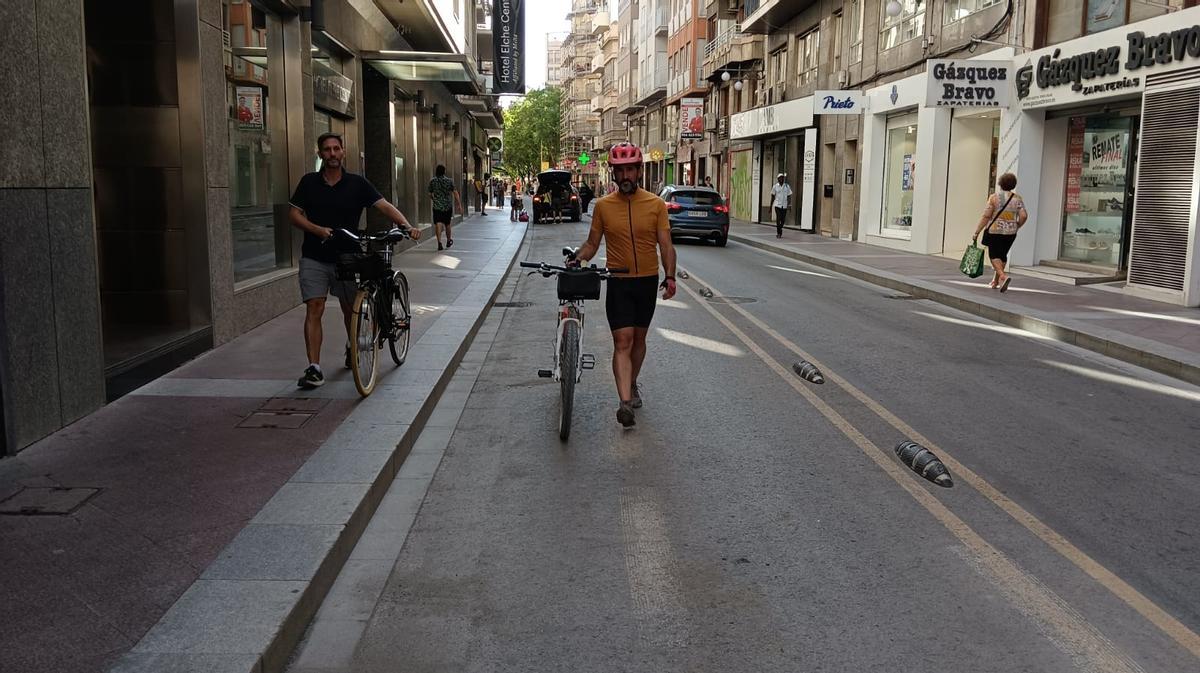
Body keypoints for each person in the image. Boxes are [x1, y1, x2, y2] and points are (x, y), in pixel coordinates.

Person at [288, 132, 421, 389]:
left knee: (352, 310)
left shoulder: (357, 183)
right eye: (327, 149)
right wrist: (317, 230)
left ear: (343, 152)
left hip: (348, 257)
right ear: (320, 154)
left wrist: (406, 225)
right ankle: (314, 368)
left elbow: (383, 205)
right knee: (314, 307)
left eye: (336, 148)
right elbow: (294, 215)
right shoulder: (309, 182)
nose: (332, 153)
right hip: (314, 256)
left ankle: (353, 344)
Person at [571, 142, 677, 428]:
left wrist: (670, 277)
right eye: (620, 171)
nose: (626, 175)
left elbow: (666, 245)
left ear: (639, 171)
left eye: (630, 169)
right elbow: (592, 244)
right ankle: (625, 404)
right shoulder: (604, 207)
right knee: (623, 341)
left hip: (647, 281)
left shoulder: (655, 205)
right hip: (618, 281)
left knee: (639, 341)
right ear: (614, 174)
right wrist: (577, 258)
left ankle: (632, 381)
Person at [972, 172, 1028, 292]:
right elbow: (1024, 215)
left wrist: (977, 231)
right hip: (1010, 232)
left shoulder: (994, 197)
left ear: (1000, 183)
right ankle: (996, 281)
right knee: (1002, 255)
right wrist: (1017, 225)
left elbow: (986, 216)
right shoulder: (1017, 198)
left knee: (994, 255)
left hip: (995, 230)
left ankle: (1003, 276)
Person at [429, 164, 462, 251]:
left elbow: (430, 194)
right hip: (447, 206)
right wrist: (459, 204)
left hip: (437, 206)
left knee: (438, 223)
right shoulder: (449, 181)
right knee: (447, 224)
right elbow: (455, 192)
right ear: (444, 171)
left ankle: (439, 242)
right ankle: (448, 240)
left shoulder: (432, 181)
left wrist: (435, 199)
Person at [769, 173, 793, 238]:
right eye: (780, 178)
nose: (781, 179)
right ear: (778, 179)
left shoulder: (787, 186)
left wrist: (789, 205)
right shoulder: (775, 186)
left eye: (782, 178)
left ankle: (780, 228)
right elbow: (772, 197)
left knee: (783, 220)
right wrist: (770, 207)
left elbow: (789, 196)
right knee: (778, 218)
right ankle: (779, 233)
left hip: (784, 205)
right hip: (777, 205)